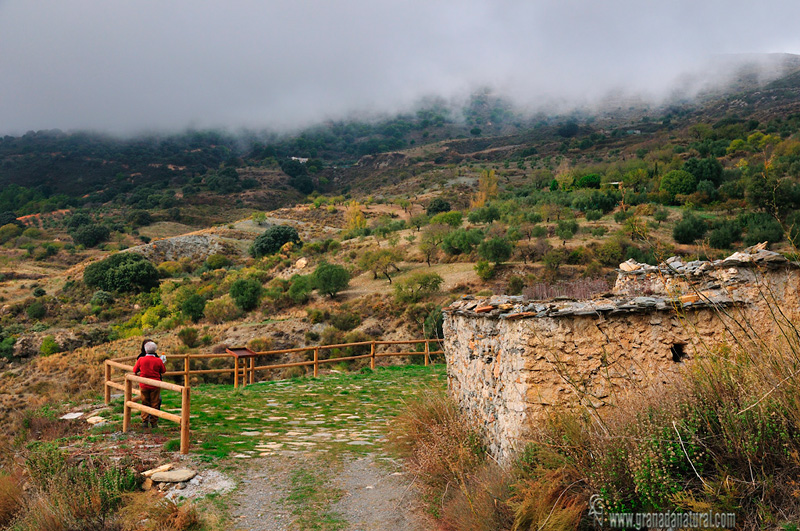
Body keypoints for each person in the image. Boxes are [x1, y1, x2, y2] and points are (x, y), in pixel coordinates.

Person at [132, 341, 166, 428]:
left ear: (146, 351)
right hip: (155, 385)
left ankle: (144, 421)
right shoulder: (158, 360)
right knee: (155, 403)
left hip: (143, 385)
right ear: (155, 351)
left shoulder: (141, 359)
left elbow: (135, 370)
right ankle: (154, 422)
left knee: (145, 402)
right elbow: (163, 371)